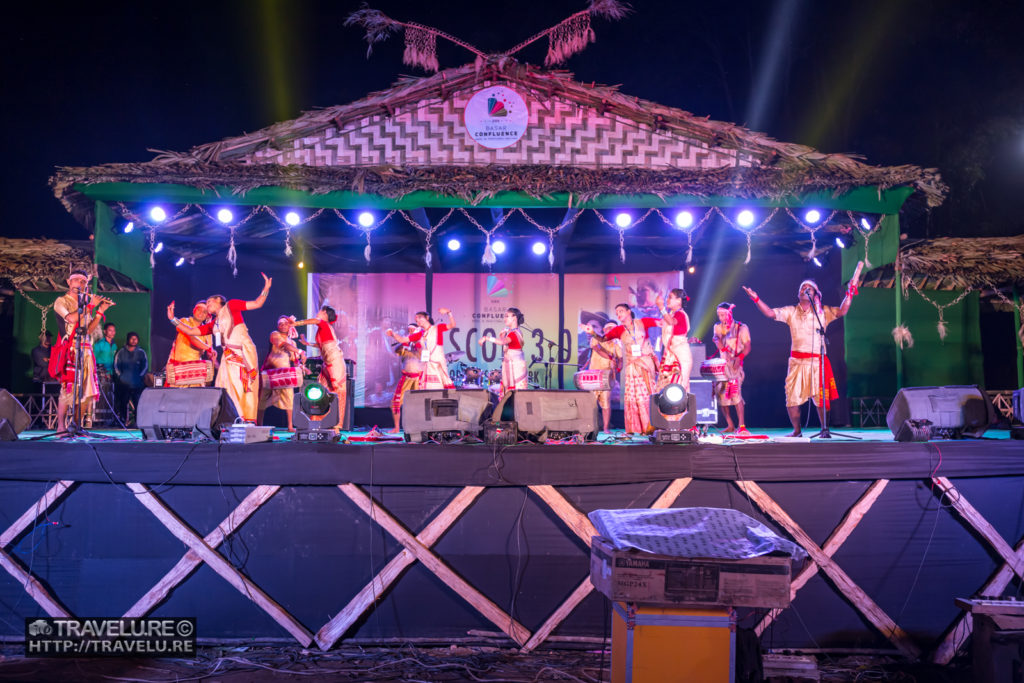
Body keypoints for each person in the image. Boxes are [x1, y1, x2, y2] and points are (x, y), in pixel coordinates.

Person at [743, 278, 856, 436]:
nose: (806, 289)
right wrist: (755, 298)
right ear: (799, 293)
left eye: (810, 288)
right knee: (791, 397)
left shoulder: (822, 312)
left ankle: (825, 429)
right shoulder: (791, 311)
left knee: (821, 398)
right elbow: (769, 313)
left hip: (818, 361)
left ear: (815, 294)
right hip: (796, 362)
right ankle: (797, 431)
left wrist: (850, 293)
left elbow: (842, 311)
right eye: (803, 287)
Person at [167, 273, 271, 422]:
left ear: (219, 300)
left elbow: (257, 303)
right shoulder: (213, 323)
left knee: (240, 386)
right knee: (223, 386)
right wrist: (172, 319)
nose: (207, 305)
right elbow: (190, 331)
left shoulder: (231, 306)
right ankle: (230, 419)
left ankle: (245, 420)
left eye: (209, 301)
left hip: (242, 352)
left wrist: (266, 288)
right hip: (227, 357)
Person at [583, 304, 660, 435]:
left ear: (629, 312)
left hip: (645, 364)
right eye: (616, 312)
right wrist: (592, 333)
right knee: (632, 397)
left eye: (621, 311)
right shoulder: (619, 330)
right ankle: (634, 429)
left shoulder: (643, 322)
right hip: (630, 367)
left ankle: (651, 426)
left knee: (647, 394)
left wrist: (663, 309)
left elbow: (662, 323)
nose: (618, 314)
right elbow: (602, 339)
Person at [53, 269, 114, 431]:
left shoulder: (84, 303)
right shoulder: (61, 301)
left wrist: (100, 312)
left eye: (83, 282)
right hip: (71, 348)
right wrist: (91, 305)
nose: (79, 284)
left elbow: (87, 330)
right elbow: (71, 319)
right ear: (69, 282)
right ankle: (61, 427)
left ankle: (77, 426)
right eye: (76, 280)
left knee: (86, 390)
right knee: (68, 389)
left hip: (86, 350)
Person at [295, 305, 347, 431]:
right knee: (321, 391)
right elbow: (321, 345)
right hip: (327, 362)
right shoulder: (323, 329)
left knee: (338, 391)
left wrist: (295, 324)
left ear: (324, 313)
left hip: (335, 361)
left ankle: (337, 425)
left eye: (320, 311)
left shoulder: (323, 324)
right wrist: (307, 343)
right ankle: (318, 422)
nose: (318, 313)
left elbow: (315, 320)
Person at [387, 308, 456, 390]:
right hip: (427, 365)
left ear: (427, 318)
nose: (418, 320)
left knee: (439, 387)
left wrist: (449, 312)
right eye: (416, 320)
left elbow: (452, 325)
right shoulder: (420, 334)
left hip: (437, 364)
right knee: (427, 389)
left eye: (420, 317)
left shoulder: (438, 328)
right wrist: (393, 334)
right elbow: (402, 339)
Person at [258, 316, 305, 431]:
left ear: (290, 326)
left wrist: (301, 364)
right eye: (280, 323)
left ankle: (290, 426)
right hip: (271, 372)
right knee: (262, 399)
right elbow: (283, 345)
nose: (283, 325)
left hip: (285, 374)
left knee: (289, 398)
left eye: (285, 323)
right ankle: (259, 425)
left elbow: (295, 359)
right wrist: (300, 351)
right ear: (278, 326)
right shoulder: (274, 334)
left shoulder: (292, 342)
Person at [712, 302, 752, 434]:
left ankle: (741, 426)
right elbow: (719, 345)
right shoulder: (717, 327)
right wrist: (719, 344)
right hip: (722, 365)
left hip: (735, 365)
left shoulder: (741, 327)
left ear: (729, 313)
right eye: (719, 315)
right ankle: (730, 425)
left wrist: (739, 358)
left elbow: (747, 347)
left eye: (723, 314)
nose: (721, 317)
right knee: (721, 395)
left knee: (735, 394)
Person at [479, 307, 528, 397]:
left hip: (516, 368)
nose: (504, 319)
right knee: (512, 394)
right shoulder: (512, 332)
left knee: (516, 394)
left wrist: (486, 338)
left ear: (514, 318)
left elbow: (503, 342)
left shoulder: (514, 333)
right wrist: (502, 336)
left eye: (507, 316)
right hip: (513, 365)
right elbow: (508, 346)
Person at [166, 300, 216, 386]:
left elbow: (210, 354)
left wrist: (212, 356)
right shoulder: (185, 321)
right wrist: (172, 318)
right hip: (179, 370)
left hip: (196, 373)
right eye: (199, 309)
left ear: (208, 316)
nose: (201, 313)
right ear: (194, 310)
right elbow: (191, 336)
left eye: (205, 312)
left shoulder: (208, 331)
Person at [655, 288, 692, 393]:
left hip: (680, 355)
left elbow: (671, 322)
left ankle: (679, 409)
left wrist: (661, 307)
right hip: (671, 353)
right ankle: (668, 409)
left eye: (670, 297)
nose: (667, 300)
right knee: (668, 386)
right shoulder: (672, 314)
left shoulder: (680, 314)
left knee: (679, 385)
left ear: (679, 300)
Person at [586, 322, 621, 433]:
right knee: (591, 403)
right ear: (604, 330)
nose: (611, 330)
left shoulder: (617, 345)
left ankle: (606, 428)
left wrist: (617, 368)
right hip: (594, 377)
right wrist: (611, 357)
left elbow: (621, 360)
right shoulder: (596, 339)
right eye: (609, 328)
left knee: (606, 403)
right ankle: (589, 427)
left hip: (607, 378)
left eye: (614, 329)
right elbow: (598, 350)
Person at [389, 324, 422, 433]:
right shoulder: (405, 345)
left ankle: (420, 428)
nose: (410, 331)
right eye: (409, 330)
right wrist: (405, 342)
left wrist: (416, 341)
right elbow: (396, 350)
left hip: (419, 378)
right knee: (395, 402)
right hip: (407, 377)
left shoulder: (421, 343)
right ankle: (397, 427)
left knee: (421, 404)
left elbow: (423, 354)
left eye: (412, 330)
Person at [113, 331, 148, 426]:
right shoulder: (121, 352)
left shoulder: (141, 353)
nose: (134, 341)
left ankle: (138, 423)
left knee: (138, 404)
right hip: (124, 384)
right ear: (128, 339)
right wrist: (121, 377)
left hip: (137, 384)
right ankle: (123, 422)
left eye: (135, 339)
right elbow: (116, 366)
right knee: (123, 404)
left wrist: (140, 377)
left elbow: (145, 367)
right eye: (132, 338)